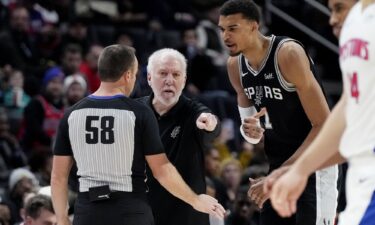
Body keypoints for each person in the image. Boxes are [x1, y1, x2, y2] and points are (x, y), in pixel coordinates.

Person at [50, 44, 225, 225]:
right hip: (130, 209)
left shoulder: (71, 115)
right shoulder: (138, 112)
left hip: (89, 208)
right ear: (128, 75)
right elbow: (162, 171)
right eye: (134, 75)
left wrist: (62, 219)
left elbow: (58, 177)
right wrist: (195, 200)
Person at [218, 0, 338, 225]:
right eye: (222, 29)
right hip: (278, 163)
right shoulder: (235, 66)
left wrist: (276, 176)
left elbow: (324, 125)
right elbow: (251, 132)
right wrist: (252, 131)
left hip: (315, 163)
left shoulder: (288, 54)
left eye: (233, 28)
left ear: (254, 26)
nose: (225, 36)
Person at [268, 1, 375, 225]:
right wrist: (299, 168)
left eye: (338, 8)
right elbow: (349, 110)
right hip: (361, 181)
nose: (332, 19)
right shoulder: (355, 26)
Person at [137, 48, 221, 225]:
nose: (169, 80)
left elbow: (210, 124)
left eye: (176, 74)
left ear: (184, 80)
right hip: (143, 213)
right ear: (149, 78)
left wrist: (210, 122)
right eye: (163, 73)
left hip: (186, 215)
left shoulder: (193, 112)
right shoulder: (134, 112)